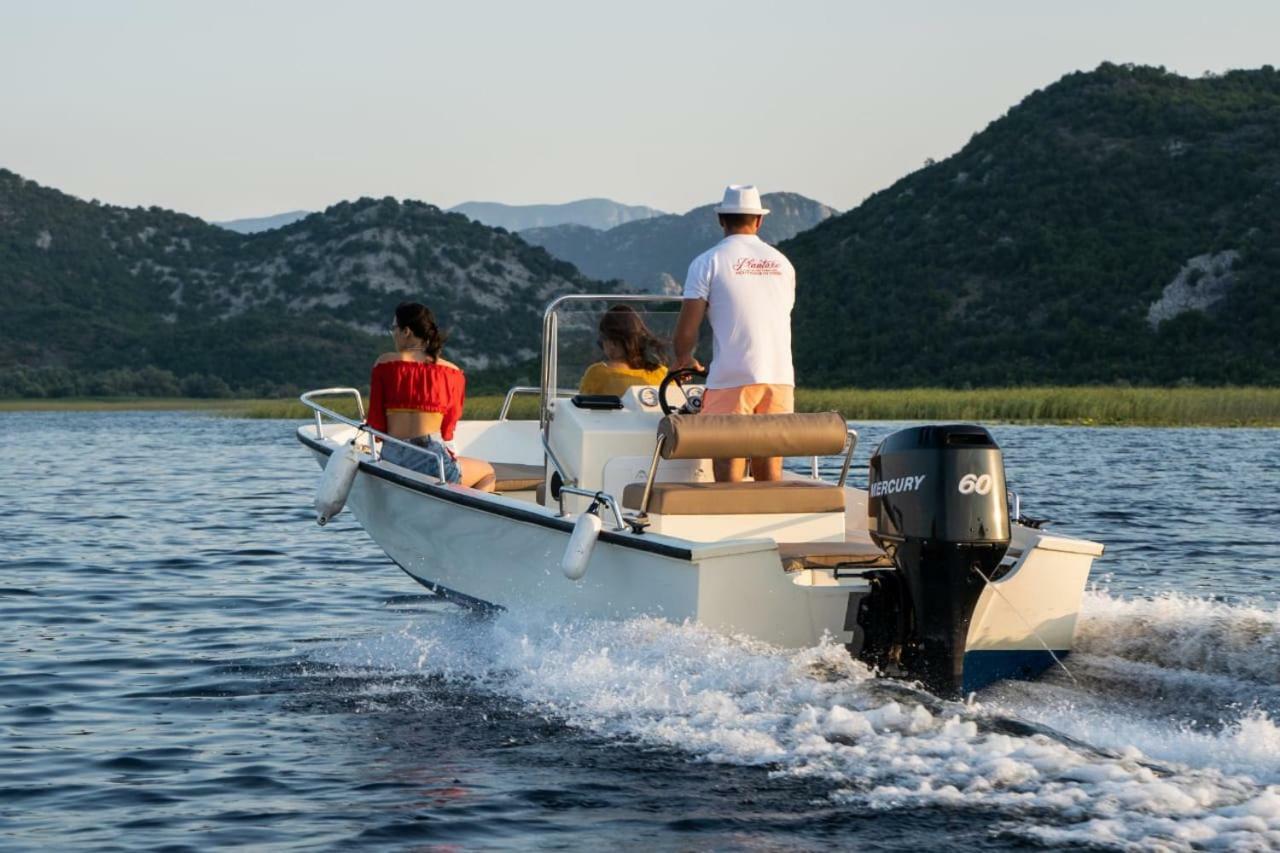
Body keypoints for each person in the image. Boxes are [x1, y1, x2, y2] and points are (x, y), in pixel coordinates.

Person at [672, 185, 796, 482]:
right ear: (759, 221)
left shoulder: (707, 262)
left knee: (728, 469)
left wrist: (683, 358)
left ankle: (729, 526)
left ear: (721, 220)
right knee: (770, 470)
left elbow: (688, 327)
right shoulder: (783, 263)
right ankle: (767, 524)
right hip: (779, 378)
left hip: (732, 378)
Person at [366, 302, 495, 491]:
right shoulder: (453, 373)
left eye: (394, 328)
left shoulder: (384, 364)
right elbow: (448, 430)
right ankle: (461, 514)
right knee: (488, 472)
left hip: (392, 457)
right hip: (431, 460)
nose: (393, 333)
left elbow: (376, 421)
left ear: (406, 331)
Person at [579, 305, 668, 396]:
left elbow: (583, 405)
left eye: (602, 340)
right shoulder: (662, 373)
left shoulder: (597, 374)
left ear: (612, 342)